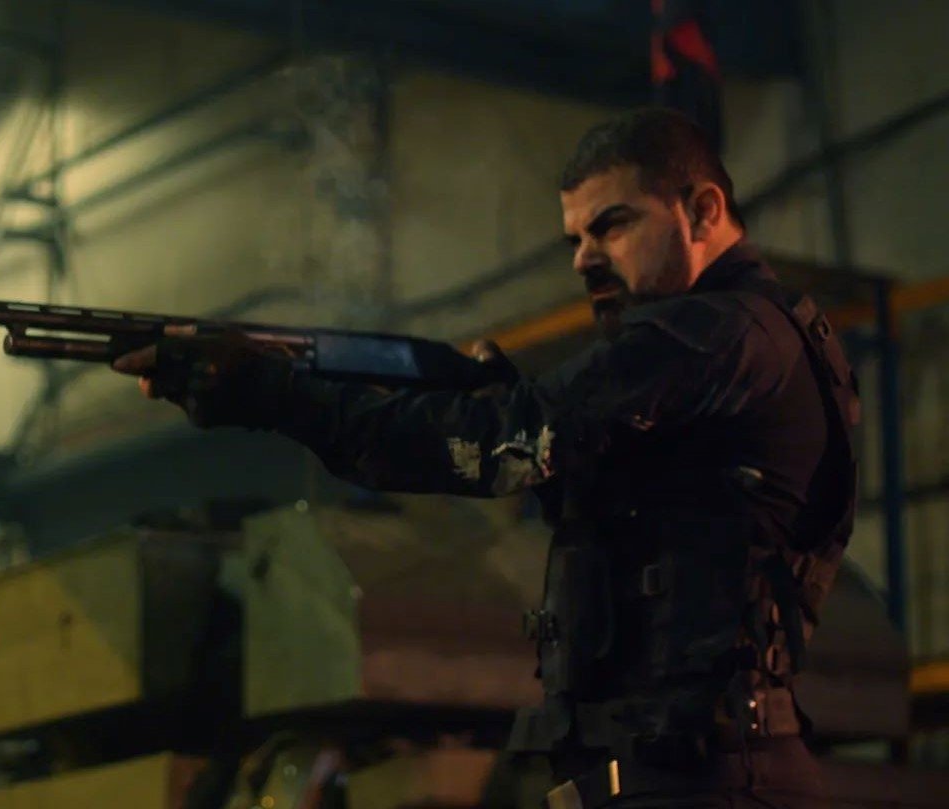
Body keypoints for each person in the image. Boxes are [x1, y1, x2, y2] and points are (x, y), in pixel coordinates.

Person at [112, 107, 858, 808]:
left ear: (702, 210)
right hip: (688, 768)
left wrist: (274, 395)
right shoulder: (742, 340)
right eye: (574, 239)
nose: (585, 259)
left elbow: (503, 444)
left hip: (703, 777)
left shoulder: (713, 332)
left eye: (612, 224)